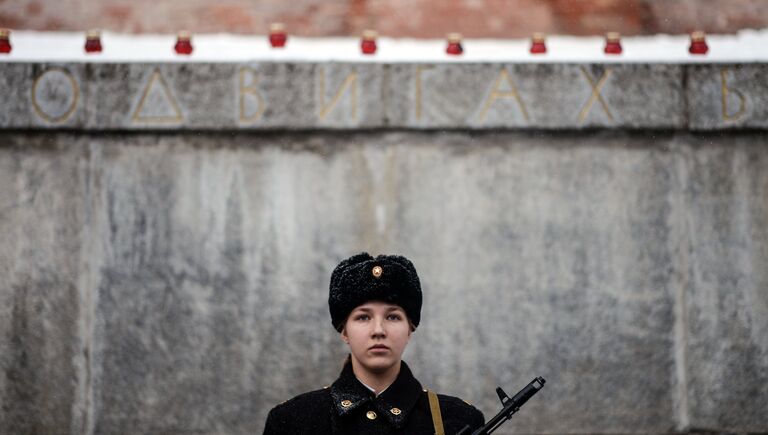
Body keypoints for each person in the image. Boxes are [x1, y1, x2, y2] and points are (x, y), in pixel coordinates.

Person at [263, 252, 485, 434]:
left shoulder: (458, 419)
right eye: (363, 317)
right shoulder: (291, 422)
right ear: (344, 331)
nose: (378, 331)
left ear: (410, 328)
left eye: (392, 317)